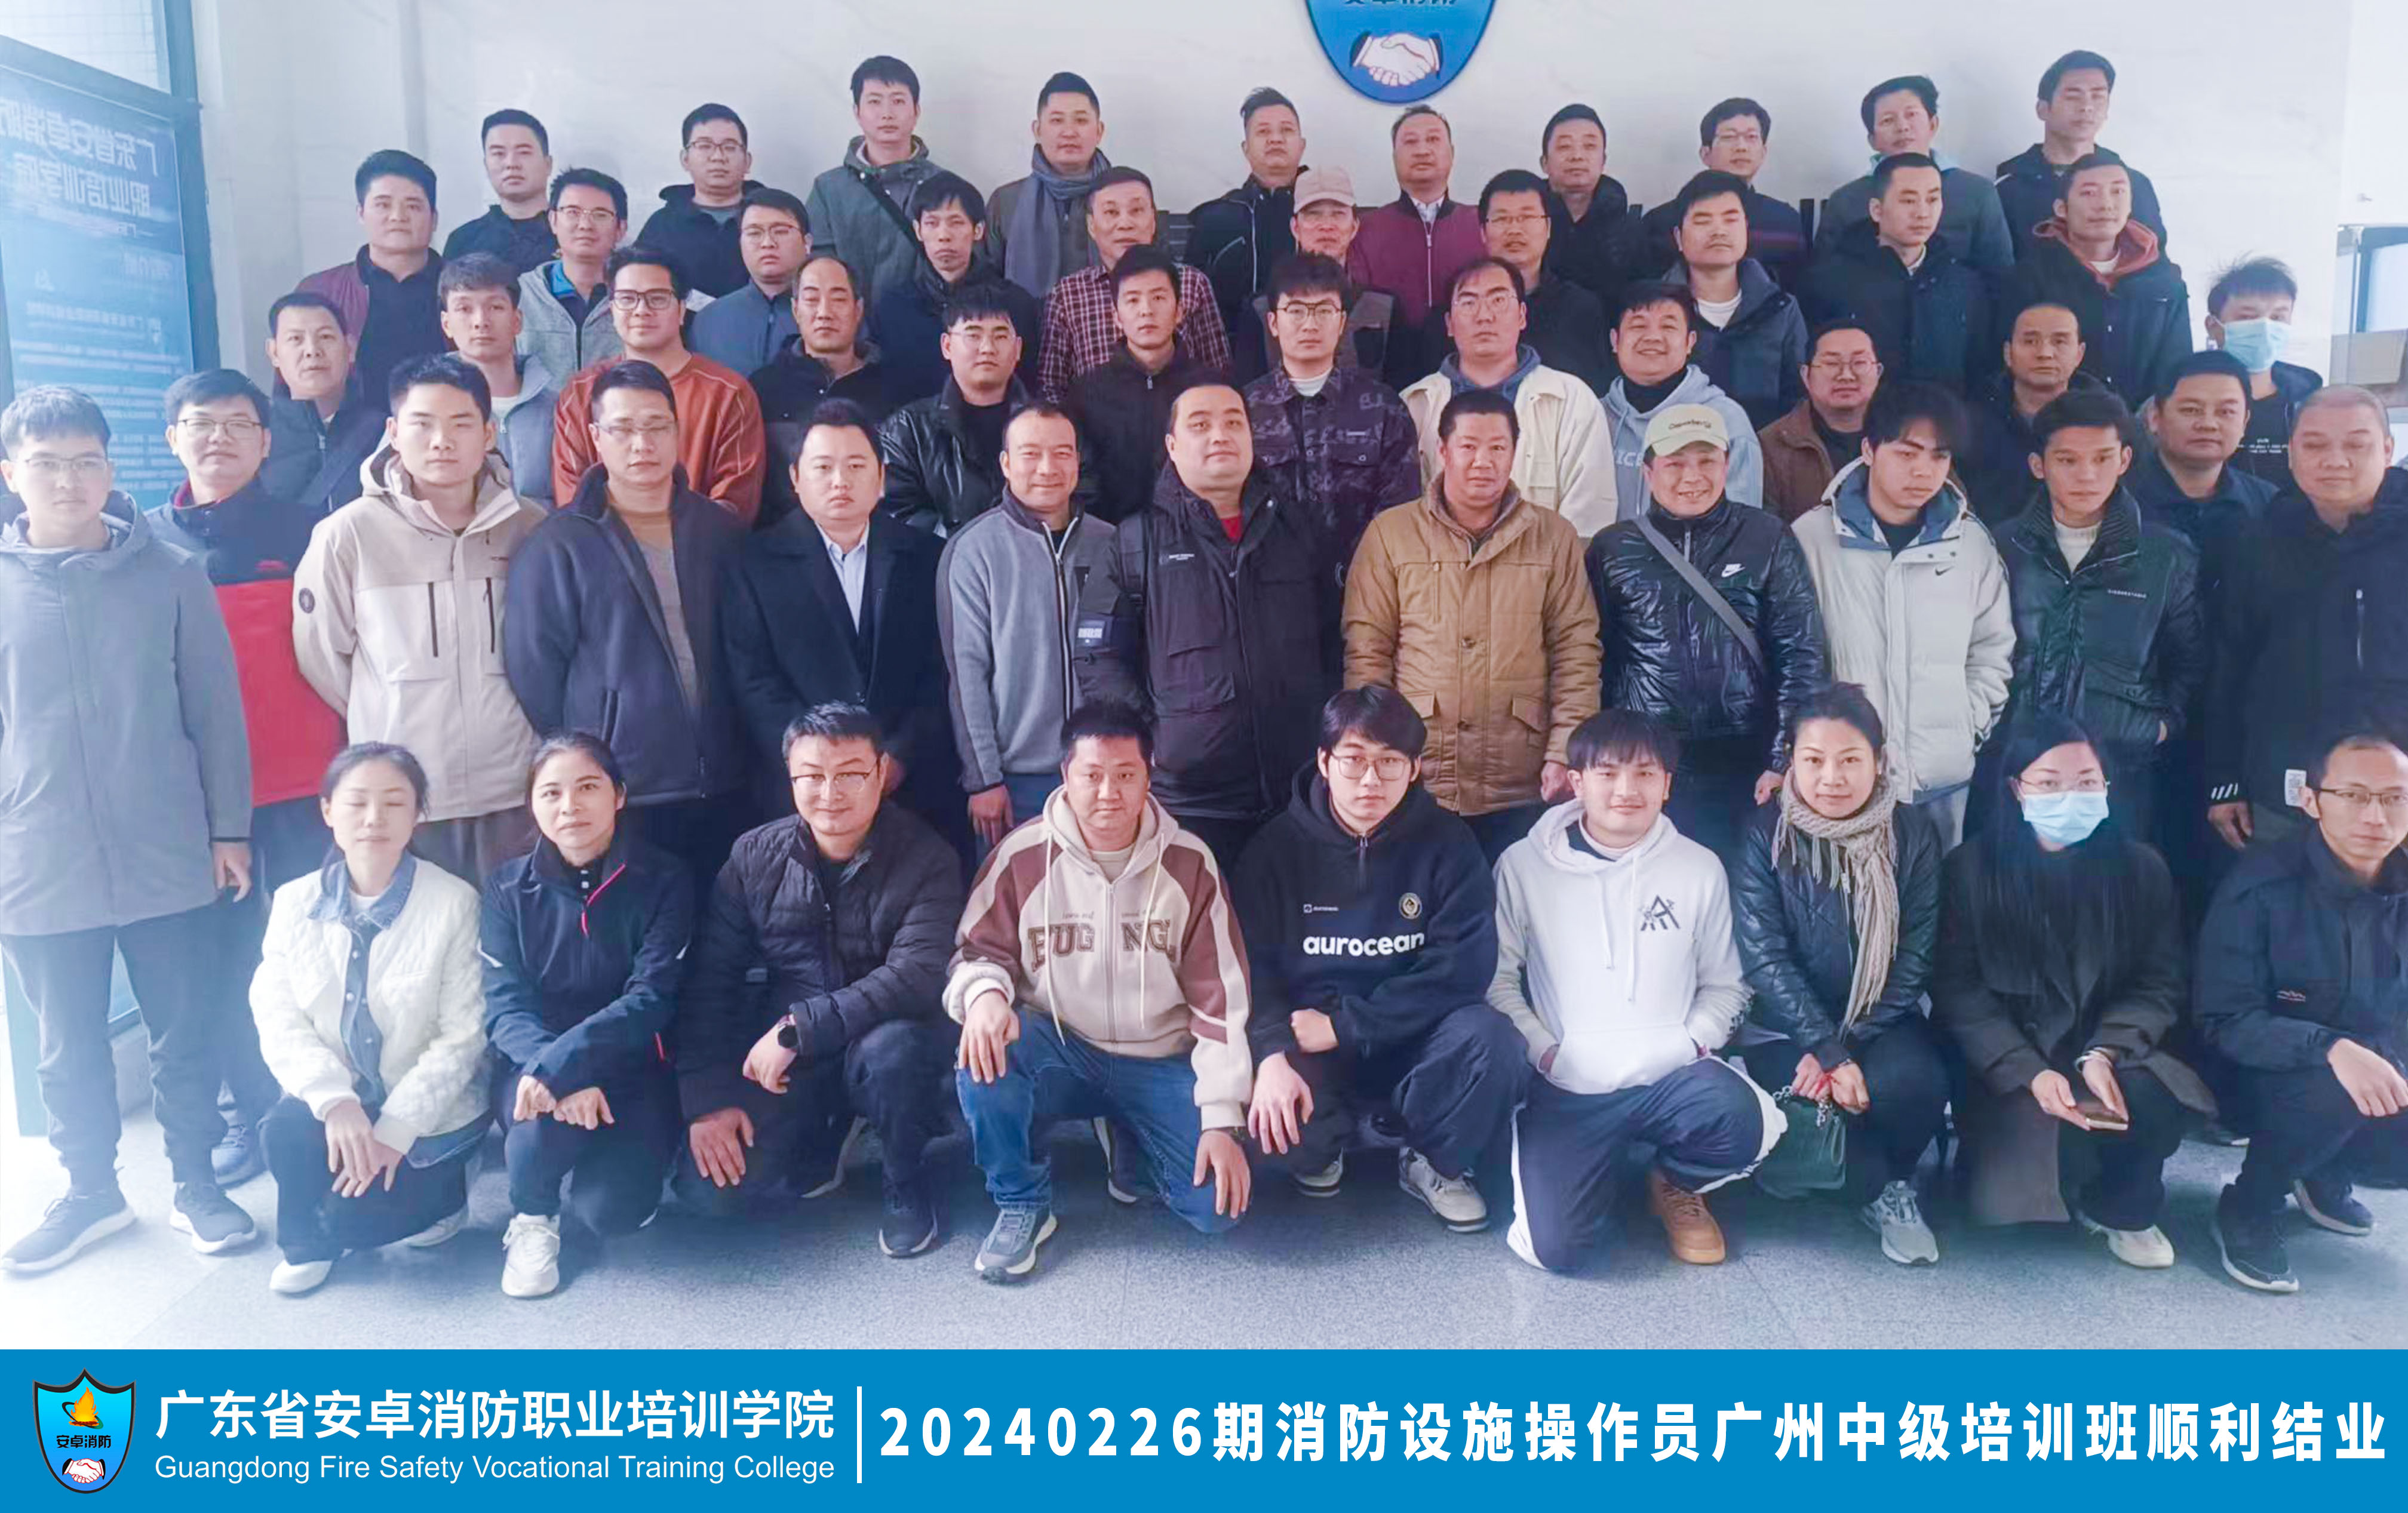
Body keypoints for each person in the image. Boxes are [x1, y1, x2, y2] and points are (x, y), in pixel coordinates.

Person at [0, 387, 256, 1274]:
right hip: (38, 851)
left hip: (167, 840)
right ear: (11, 474)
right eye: (45, 463)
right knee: (64, 1042)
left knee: (184, 1028)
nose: (67, 480)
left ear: (110, 469)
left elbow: (215, 713)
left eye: (85, 461)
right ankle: (90, 1193)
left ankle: (197, 1183)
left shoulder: (173, 573)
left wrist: (229, 829)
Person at [950, 699, 1254, 1281]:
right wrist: (984, 994)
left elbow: (1221, 1003)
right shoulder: (1021, 855)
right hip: (1063, 1049)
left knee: (1217, 1209)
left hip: (1160, 1061)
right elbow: (976, 951)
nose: (1109, 793)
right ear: (1066, 774)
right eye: (1092, 775)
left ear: (1149, 774)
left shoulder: (1191, 864)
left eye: (1125, 774)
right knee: (984, 1049)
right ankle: (1021, 1202)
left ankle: (1130, 1132)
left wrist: (1220, 1119)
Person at [1494, 709, 1782, 1272]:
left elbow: (1726, 984)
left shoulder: (1699, 867)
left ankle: (1673, 1182)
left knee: (1743, 1122)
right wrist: (1544, 1052)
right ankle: (1589, 1174)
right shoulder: (1522, 866)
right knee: (1559, 1251)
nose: (1627, 790)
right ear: (1576, 782)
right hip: (1569, 1084)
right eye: (1607, 774)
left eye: (1645, 774)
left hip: (1671, 1075)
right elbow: (1498, 982)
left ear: (1667, 785)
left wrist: (1690, 1043)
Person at [674, 703, 965, 1257]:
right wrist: (707, 1100)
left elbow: (916, 976)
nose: (830, 793)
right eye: (811, 776)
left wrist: (798, 1027)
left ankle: (905, 1178)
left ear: (881, 771)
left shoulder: (928, 856)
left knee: (895, 1053)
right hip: (796, 1059)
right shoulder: (753, 856)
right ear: (790, 777)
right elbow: (711, 982)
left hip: (880, 1039)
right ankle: (825, 1132)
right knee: (708, 1193)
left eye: (850, 774)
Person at [149, 370, 345, 1189]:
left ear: (267, 442)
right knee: (225, 961)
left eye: (239, 424)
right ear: (174, 438)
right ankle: (248, 1111)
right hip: (202, 798)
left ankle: (328, 1106)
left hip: (305, 783)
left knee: (318, 951)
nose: (219, 438)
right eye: (202, 423)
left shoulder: (310, 531)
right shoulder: (144, 542)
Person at [1237, 687, 1522, 1227]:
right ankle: (1325, 1146)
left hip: (1414, 1036)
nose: (1370, 780)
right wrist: (1270, 1054)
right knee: (1272, 1120)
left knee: (1493, 1041)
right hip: (1309, 1038)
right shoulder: (1274, 850)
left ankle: (1433, 1161)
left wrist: (1348, 1025)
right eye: (1354, 760)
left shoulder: (1449, 843)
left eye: (1389, 762)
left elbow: (1462, 969)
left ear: (1414, 769)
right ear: (1325, 762)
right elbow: (1250, 968)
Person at [1932, 713, 2209, 1262]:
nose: (2071, 797)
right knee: (2004, 1215)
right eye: (2050, 782)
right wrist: (2028, 1071)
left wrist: (2105, 1052)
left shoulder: (2142, 870)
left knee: (2155, 1097)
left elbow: (2158, 983)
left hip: (2103, 1053)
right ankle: (2036, 1162)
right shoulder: (1972, 869)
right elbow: (1957, 989)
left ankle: (2120, 1202)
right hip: (2011, 1067)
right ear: (2017, 789)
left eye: (2086, 782)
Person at [294, 355, 543, 882]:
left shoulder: (530, 526)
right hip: (404, 793)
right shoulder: (348, 535)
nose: (441, 442)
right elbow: (323, 657)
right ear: (392, 432)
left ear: (489, 433)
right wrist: (390, 707)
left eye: (461, 424)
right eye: (422, 424)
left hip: (513, 788)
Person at [250, 744, 487, 1295]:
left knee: (358, 1224)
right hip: (344, 1106)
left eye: (394, 803)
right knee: (284, 1131)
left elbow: (463, 1036)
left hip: (427, 1113)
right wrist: (335, 1101)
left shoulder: (454, 902)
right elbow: (276, 1014)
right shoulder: (293, 901)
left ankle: (446, 1195)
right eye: (356, 803)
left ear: (418, 814)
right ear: (328, 810)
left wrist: (397, 1130)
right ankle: (307, 1244)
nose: (374, 818)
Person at [505, 361, 749, 890]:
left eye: (657, 426)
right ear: (596, 438)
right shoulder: (559, 543)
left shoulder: (720, 531)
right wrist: (599, 741)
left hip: (726, 779)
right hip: (623, 790)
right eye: (623, 429)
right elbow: (534, 672)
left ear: (678, 431)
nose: (643, 444)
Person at [1077, 379, 1335, 870]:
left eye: (1234, 422)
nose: (1220, 435)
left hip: (1298, 792)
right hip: (1192, 803)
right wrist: (1152, 738)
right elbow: (1098, 655)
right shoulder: (1135, 542)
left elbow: (1333, 637)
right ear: (1172, 446)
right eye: (1200, 425)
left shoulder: (1296, 528)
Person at [1732, 685, 1948, 1265]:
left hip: (1879, 1017)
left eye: (1850, 759)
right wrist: (1821, 1045)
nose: (1831, 778)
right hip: (1786, 1027)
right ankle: (1849, 1175)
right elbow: (1765, 956)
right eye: (1814, 760)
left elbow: (1917, 954)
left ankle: (1891, 1182)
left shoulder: (1912, 832)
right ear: (1791, 761)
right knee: (1850, 1164)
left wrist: (1843, 1047)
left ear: (1880, 760)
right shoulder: (1764, 831)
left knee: (1918, 1084)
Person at [1344, 390, 1601, 860]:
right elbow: (1368, 651)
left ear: (1515, 453)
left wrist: (1565, 750)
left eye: (1498, 448)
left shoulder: (1554, 537)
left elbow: (1576, 649)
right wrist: (1378, 757)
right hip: (1420, 769)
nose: (1483, 461)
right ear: (1442, 451)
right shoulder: (1391, 534)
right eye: (1468, 447)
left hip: (1521, 775)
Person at [481, 734, 691, 1297]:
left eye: (588, 787)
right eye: (551, 793)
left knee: (613, 1212)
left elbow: (651, 998)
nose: (569, 806)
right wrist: (558, 1071)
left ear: (619, 795)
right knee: (533, 1130)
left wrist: (568, 1065)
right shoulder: (505, 888)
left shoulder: (665, 879)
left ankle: (629, 1157)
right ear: (532, 804)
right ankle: (532, 1218)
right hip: (537, 1067)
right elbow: (504, 1005)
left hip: (634, 1068)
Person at [2199, 731, 2408, 1293]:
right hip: (2255, 1074)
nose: (2376, 816)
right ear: (2312, 801)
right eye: (2354, 796)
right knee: (2338, 1087)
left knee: (2370, 1092)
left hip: (2368, 1064)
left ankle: (2324, 1170)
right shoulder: (2262, 886)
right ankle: (2249, 1204)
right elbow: (2223, 1021)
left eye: (2395, 798)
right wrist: (2331, 1048)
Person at [1587, 404, 1829, 862]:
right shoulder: (1613, 548)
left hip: (1747, 761)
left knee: (1743, 882)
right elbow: (1593, 660)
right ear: (1648, 472)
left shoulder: (1768, 538)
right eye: (1675, 464)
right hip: (1649, 762)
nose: (1692, 477)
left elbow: (1802, 654)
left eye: (1706, 461)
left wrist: (1784, 759)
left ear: (1727, 464)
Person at [722, 399, 956, 844]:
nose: (840, 481)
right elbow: (754, 680)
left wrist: (897, 757)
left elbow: (940, 671)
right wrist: (820, 764)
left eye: (855, 466)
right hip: (803, 791)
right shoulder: (753, 562)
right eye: (823, 467)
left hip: (908, 785)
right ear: (795, 478)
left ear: (881, 478)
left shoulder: (927, 556)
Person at [1791, 382, 2014, 847]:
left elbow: (1993, 649)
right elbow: (1790, 654)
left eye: (1939, 457)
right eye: (1907, 453)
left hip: (1941, 782)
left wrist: (1965, 724)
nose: (1923, 471)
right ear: (1869, 450)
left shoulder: (1971, 545)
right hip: (1840, 786)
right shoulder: (1811, 539)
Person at [1997, 390, 2206, 846]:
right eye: (2067, 460)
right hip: (2019, 765)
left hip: (2120, 764)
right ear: (2038, 465)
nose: (2087, 475)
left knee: (2116, 881)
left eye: (2102, 458)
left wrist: (2159, 728)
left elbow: (2188, 663)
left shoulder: (2165, 556)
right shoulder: (2003, 547)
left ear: (2125, 460)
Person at [2208, 387, 2408, 855]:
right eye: (2315, 444)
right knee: (2278, 899)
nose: (2335, 460)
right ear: (2291, 453)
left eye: (2356, 444)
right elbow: (2227, 669)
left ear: (2387, 450)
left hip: (2398, 794)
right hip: (2285, 791)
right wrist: (2224, 778)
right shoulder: (2258, 542)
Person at [938, 402, 1116, 851]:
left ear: (1077, 461)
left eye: (1062, 453)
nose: (1047, 468)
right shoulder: (973, 550)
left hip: (1104, 770)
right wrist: (984, 779)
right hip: (1016, 781)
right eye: (1030, 454)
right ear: (1005, 464)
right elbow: (967, 673)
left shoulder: (1110, 543)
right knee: (1017, 895)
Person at [551, 248, 767, 525]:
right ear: (611, 310)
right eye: (627, 299)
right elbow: (573, 502)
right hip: (599, 549)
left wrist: (665, 542)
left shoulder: (728, 394)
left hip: (700, 548)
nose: (642, 310)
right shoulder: (581, 392)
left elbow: (734, 506)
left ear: (682, 310)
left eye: (657, 299)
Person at [1400, 259, 1618, 534]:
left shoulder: (1572, 400)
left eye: (1499, 300)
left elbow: (1589, 514)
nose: (1484, 316)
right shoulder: (1414, 404)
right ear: (1449, 324)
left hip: (1545, 560)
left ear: (1522, 316)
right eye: (1468, 303)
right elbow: (1402, 521)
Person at [1242, 253, 1421, 578]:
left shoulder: (1383, 408)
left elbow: (1400, 512)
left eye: (1324, 311)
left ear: (1342, 323)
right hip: (1266, 588)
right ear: (1273, 323)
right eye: (1296, 311)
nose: (1310, 324)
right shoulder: (1243, 409)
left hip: (1363, 585)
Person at [2000, 151, 2191, 402]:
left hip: (2146, 422)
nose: (2105, 204)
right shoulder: (2030, 277)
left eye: (2118, 192)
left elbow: (2178, 369)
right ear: (2061, 208)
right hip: (2059, 419)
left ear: (2131, 205)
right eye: (2089, 193)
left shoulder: (2165, 281)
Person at [1798, 153, 1991, 396]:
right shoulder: (1829, 281)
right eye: (1908, 201)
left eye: (1933, 199)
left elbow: (1978, 371)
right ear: (1877, 210)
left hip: (1944, 417)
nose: (1923, 213)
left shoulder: (1965, 283)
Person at [1034, 167, 1231, 402]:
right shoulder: (1068, 295)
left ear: (1154, 220)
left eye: (1137, 211)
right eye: (1111, 212)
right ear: (1091, 225)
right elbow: (1051, 389)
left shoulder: (1191, 283)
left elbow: (1219, 374)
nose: (1125, 224)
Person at [753, 253, 908, 527]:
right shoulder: (763, 389)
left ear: (858, 310)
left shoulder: (896, 388)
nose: (824, 312)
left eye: (838, 299)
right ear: (796, 310)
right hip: (785, 540)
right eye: (812, 300)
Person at [868, 172, 1040, 404]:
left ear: (978, 230)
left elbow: (1028, 387)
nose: (944, 236)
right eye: (932, 223)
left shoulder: (1014, 304)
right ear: (918, 230)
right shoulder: (894, 307)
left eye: (956, 223)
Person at [1066, 247, 1211, 524]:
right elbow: (1081, 485)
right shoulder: (1086, 395)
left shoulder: (1208, 389)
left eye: (1158, 298)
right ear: (1116, 316)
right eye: (1133, 300)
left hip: (1194, 537)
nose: (1146, 311)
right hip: (1111, 538)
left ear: (1179, 311)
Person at [877, 285, 1037, 535]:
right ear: (947, 346)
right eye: (973, 335)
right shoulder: (907, 429)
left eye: (1000, 336)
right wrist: (969, 545)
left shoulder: (1051, 427)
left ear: (1017, 349)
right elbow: (898, 513)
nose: (987, 348)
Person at [1814, 76, 2013, 274]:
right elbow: (1823, 277)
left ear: (1933, 125)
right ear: (1873, 140)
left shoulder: (1977, 193)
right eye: (1888, 120)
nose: (1902, 127)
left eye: (1911, 115)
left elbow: (1999, 273)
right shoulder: (1846, 201)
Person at [300, 149, 447, 404]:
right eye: (383, 205)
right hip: (348, 427)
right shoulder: (320, 292)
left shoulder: (464, 292)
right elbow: (291, 392)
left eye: (413, 206)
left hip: (445, 424)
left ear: (434, 219)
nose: (398, 217)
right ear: (361, 213)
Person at [1601, 282, 1763, 512]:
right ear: (1615, 341)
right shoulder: (1591, 416)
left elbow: (1743, 521)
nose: (1653, 337)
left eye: (1668, 327)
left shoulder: (1726, 419)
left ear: (1690, 342)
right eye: (1639, 326)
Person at [1231, 165, 1399, 387]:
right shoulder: (1261, 309)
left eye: (1338, 214)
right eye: (1313, 214)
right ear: (1295, 228)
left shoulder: (1385, 307)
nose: (1326, 226)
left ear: (1354, 227)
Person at [1664, 170, 1808, 428]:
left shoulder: (1781, 309)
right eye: (1703, 221)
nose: (1719, 231)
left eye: (1730, 219)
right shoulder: (1657, 310)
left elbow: (1799, 399)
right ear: (1678, 238)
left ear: (1746, 230)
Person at [1996, 50, 2168, 262]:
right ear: (2043, 109)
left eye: (2098, 97)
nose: (2087, 107)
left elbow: (2157, 264)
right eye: (2073, 97)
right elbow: (1999, 267)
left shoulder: (2132, 184)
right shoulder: (2008, 187)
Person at [806, 57, 947, 305]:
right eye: (874, 102)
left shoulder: (944, 187)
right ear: (857, 112)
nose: (887, 114)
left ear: (916, 111)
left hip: (926, 324)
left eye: (898, 101)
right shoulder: (828, 190)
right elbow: (818, 271)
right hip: (848, 326)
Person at [2128, 350, 2274, 589]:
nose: (2208, 424)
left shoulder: (2269, 505)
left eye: (2226, 412)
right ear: (2155, 417)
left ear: (2245, 423)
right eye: (2191, 410)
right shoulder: (2115, 501)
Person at [1640, 99, 1808, 288]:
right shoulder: (1660, 222)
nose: (1742, 147)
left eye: (1752, 137)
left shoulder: (1785, 221)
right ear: (1705, 154)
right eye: (1729, 137)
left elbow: (1798, 292)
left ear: (1763, 152)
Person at [438, 253, 560, 505]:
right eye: (465, 309)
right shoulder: (425, 407)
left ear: (517, 321)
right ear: (446, 324)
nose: (480, 322)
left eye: (495, 307)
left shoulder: (557, 409)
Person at [1963, 300, 2099, 525]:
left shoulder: (2106, 422)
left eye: (2060, 342)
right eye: (2030, 341)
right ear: (2008, 354)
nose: (2045, 354)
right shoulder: (1971, 422)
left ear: (2079, 354)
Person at [1475, 170, 1610, 392]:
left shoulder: (1582, 309)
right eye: (1502, 219)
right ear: (1483, 232)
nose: (1514, 230)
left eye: (1527, 217)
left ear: (1548, 228)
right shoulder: (1465, 311)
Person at [1353, 106, 1484, 334]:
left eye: (1433, 139)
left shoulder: (1481, 224)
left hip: (1468, 353)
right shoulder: (1364, 229)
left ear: (1452, 153)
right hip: (1389, 353)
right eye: (1410, 142)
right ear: (1395, 157)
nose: (1422, 151)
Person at [987, 71, 1113, 302]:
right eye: (1057, 121)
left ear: (1099, 131)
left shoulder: (1125, 198)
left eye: (1081, 121)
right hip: (1024, 324)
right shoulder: (1006, 202)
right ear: (1037, 131)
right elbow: (986, 285)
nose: (1069, 132)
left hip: (1105, 322)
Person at [1185, 87, 1304, 330]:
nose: (1276, 139)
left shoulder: (1327, 216)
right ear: (1245, 148)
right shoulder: (1214, 220)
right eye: (1263, 132)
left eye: (1286, 130)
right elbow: (1191, 304)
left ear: (1302, 146)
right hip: (1233, 349)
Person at [260, 292, 384, 519]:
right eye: (295, 339)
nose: (312, 350)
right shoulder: (257, 435)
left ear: (350, 348)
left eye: (325, 337)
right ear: (274, 352)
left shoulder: (386, 432)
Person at [2206, 257, 2324, 488]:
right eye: (2247, 317)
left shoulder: (2310, 402)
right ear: (2213, 326)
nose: (2266, 327)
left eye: (2278, 317)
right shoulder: (2181, 398)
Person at [1758, 319, 1882, 523]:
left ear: (1878, 372)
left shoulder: (1906, 437)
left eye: (1860, 363)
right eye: (1832, 364)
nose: (1846, 376)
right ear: (1806, 375)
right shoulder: (1770, 446)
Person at [515, 169, 627, 388]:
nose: (585, 225)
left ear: (620, 229)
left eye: (600, 215)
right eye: (573, 212)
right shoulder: (519, 295)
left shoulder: (637, 298)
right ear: (553, 220)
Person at [635, 104, 760, 299]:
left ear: (747, 161)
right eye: (704, 146)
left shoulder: (774, 218)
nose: (718, 157)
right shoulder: (661, 226)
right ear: (685, 159)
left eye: (729, 147)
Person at [687, 187, 807, 376]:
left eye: (780, 231)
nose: (767, 243)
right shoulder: (709, 320)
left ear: (807, 243)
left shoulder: (828, 314)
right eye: (754, 233)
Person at [1538, 103, 1639, 306]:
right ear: (1544, 163)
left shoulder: (1629, 230)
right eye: (1565, 147)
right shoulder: (1526, 221)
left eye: (1589, 146)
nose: (1577, 156)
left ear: (1603, 161)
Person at [443, 108, 556, 275]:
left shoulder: (575, 233)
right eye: (498, 154)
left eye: (524, 153)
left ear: (548, 164)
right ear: (486, 165)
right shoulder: (464, 241)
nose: (511, 164)